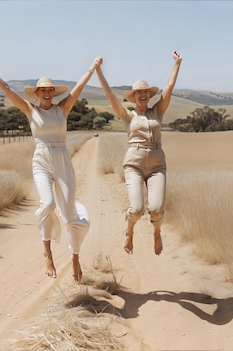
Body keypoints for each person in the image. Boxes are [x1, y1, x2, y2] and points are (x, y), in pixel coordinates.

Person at [0, 56, 101, 282]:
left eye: (50, 90)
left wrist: (92, 68)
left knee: (69, 215)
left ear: (54, 93)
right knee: (47, 203)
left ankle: (75, 257)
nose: (47, 93)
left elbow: (79, 86)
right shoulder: (29, 110)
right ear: (37, 93)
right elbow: (7, 89)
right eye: (43, 90)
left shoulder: (63, 108)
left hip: (62, 159)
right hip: (41, 160)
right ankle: (47, 252)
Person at [94, 50, 182, 256]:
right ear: (133, 96)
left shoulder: (158, 111)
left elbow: (169, 88)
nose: (143, 95)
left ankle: (157, 232)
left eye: (146, 92)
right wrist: (98, 70)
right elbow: (109, 94)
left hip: (157, 165)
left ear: (149, 95)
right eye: (138, 93)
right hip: (133, 163)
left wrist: (177, 64)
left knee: (157, 209)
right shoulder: (128, 115)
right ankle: (130, 229)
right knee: (136, 209)